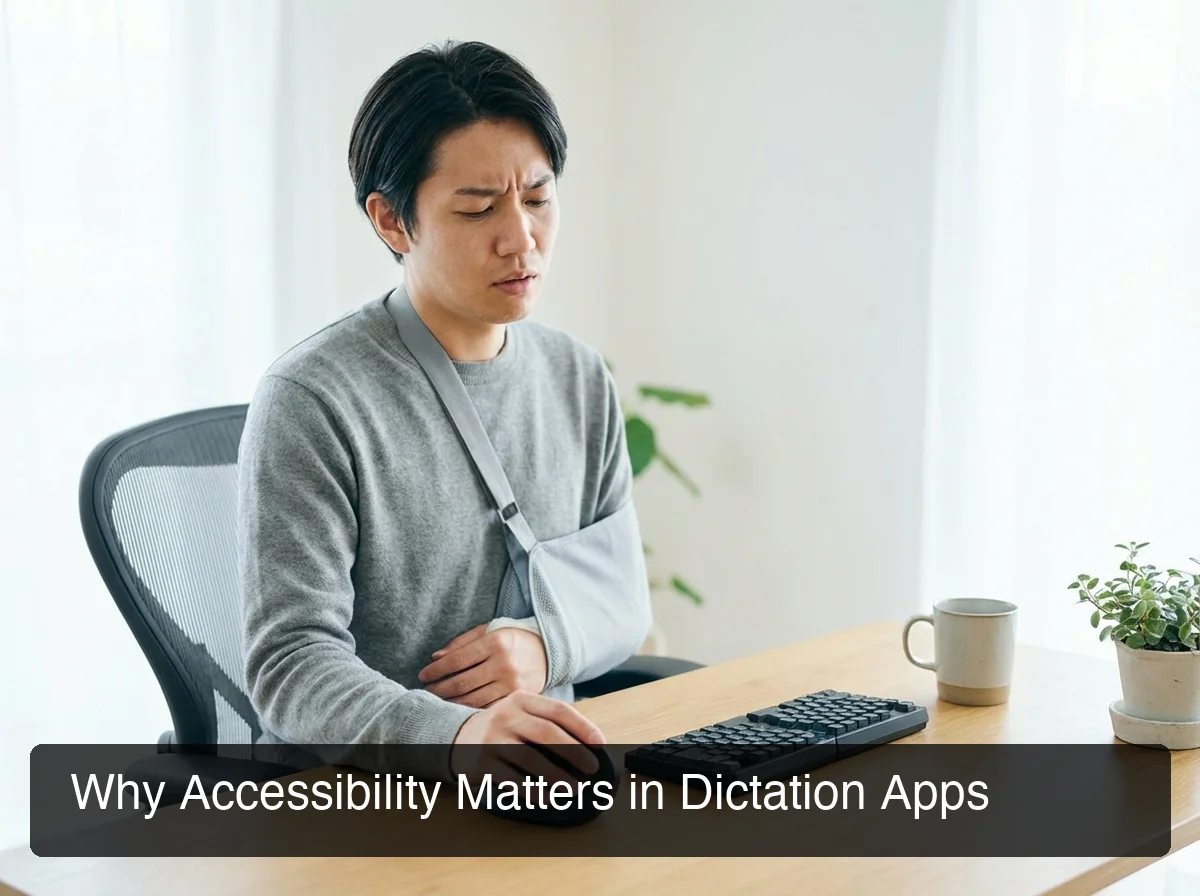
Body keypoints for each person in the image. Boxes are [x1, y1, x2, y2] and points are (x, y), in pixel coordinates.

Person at [236, 40, 650, 770]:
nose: (521, 239)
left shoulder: (578, 379)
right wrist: (456, 736)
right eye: (478, 208)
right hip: (367, 802)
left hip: (544, 782)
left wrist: (546, 642)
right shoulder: (313, 400)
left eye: (539, 198)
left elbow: (622, 603)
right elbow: (290, 663)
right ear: (392, 222)